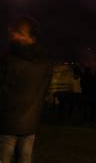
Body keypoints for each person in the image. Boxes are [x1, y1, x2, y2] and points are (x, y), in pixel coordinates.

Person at [0, 16, 52, 163]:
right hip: (31, 123)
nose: (13, 34)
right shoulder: (45, 63)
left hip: (7, 123)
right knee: (25, 157)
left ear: (31, 37)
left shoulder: (10, 60)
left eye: (19, 32)